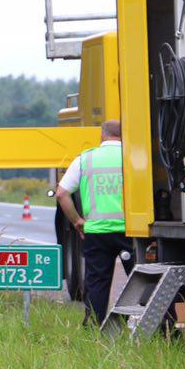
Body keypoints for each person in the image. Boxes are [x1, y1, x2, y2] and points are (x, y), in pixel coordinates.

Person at [56, 120, 131, 323]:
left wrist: (77, 221)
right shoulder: (132, 156)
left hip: (97, 232)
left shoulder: (85, 159)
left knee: (97, 282)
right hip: (132, 232)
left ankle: (94, 327)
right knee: (142, 281)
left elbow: (62, 193)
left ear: (102, 136)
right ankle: (162, 331)